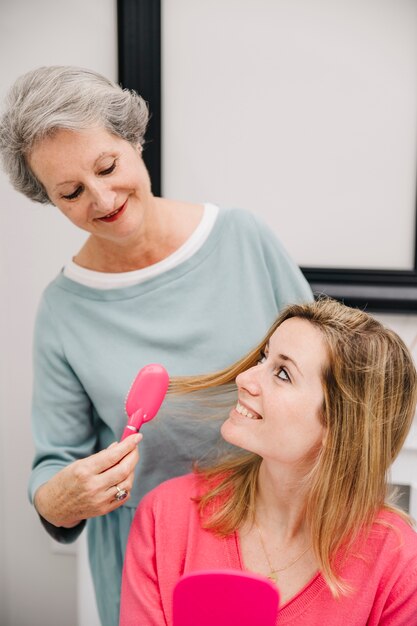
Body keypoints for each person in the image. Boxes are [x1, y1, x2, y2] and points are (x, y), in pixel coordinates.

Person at [0, 65, 312, 626]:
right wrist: (56, 499)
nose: (101, 198)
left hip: (286, 533)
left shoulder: (244, 239)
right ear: (50, 200)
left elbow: (328, 375)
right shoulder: (64, 310)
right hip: (152, 561)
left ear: (134, 139)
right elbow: (55, 465)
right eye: (71, 192)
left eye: (107, 166)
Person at [120, 298, 417, 626]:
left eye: (283, 373)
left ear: (339, 425)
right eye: (264, 357)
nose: (245, 378)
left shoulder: (400, 564)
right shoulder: (165, 517)